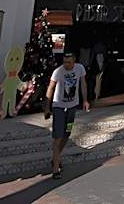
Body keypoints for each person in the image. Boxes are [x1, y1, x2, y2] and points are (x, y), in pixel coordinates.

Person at [44, 51, 89, 179]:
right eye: (64, 62)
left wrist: (85, 100)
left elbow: (83, 84)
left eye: (69, 62)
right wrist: (47, 108)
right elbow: (50, 88)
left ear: (74, 60)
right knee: (57, 137)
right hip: (58, 106)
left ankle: (56, 157)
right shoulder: (58, 71)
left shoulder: (80, 68)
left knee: (66, 134)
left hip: (72, 107)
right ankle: (55, 169)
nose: (66, 65)